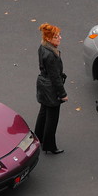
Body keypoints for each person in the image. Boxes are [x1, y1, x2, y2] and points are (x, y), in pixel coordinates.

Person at [35, 23, 68, 154]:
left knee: (43, 113)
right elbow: (55, 78)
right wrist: (63, 94)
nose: (60, 38)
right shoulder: (51, 56)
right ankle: (49, 145)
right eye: (56, 36)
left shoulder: (42, 48)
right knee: (52, 118)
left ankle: (38, 137)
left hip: (43, 85)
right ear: (49, 39)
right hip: (51, 89)